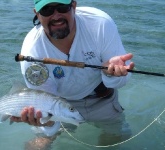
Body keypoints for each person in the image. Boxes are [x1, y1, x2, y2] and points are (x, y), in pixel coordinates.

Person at [11, 0, 135, 149]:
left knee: (116, 140)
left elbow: (122, 82)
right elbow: (47, 106)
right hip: (59, 103)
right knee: (38, 146)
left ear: (74, 6)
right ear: (37, 14)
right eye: (47, 10)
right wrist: (48, 122)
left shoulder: (100, 24)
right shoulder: (31, 52)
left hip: (102, 99)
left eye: (62, 7)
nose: (56, 16)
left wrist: (112, 74)